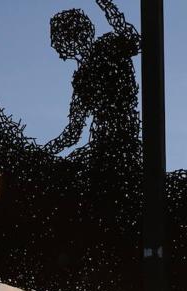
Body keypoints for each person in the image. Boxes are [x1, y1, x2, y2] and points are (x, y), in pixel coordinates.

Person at [44, 0, 142, 200]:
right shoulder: (82, 79)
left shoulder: (109, 47)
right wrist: (43, 153)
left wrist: (106, 4)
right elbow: (72, 132)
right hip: (105, 142)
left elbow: (134, 39)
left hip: (120, 141)